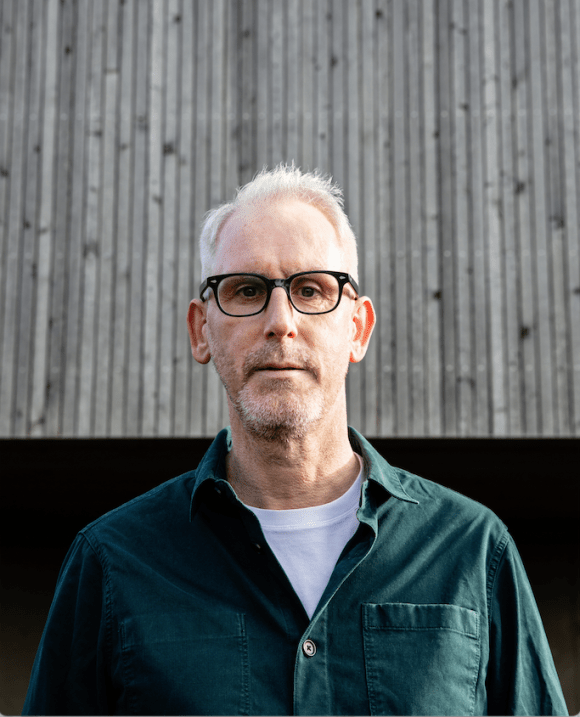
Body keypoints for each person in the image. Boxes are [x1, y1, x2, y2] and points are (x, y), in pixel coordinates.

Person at [23, 164, 567, 716]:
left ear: (357, 329)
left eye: (311, 290)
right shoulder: (111, 563)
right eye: (246, 290)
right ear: (201, 330)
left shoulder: (473, 551)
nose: (280, 321)